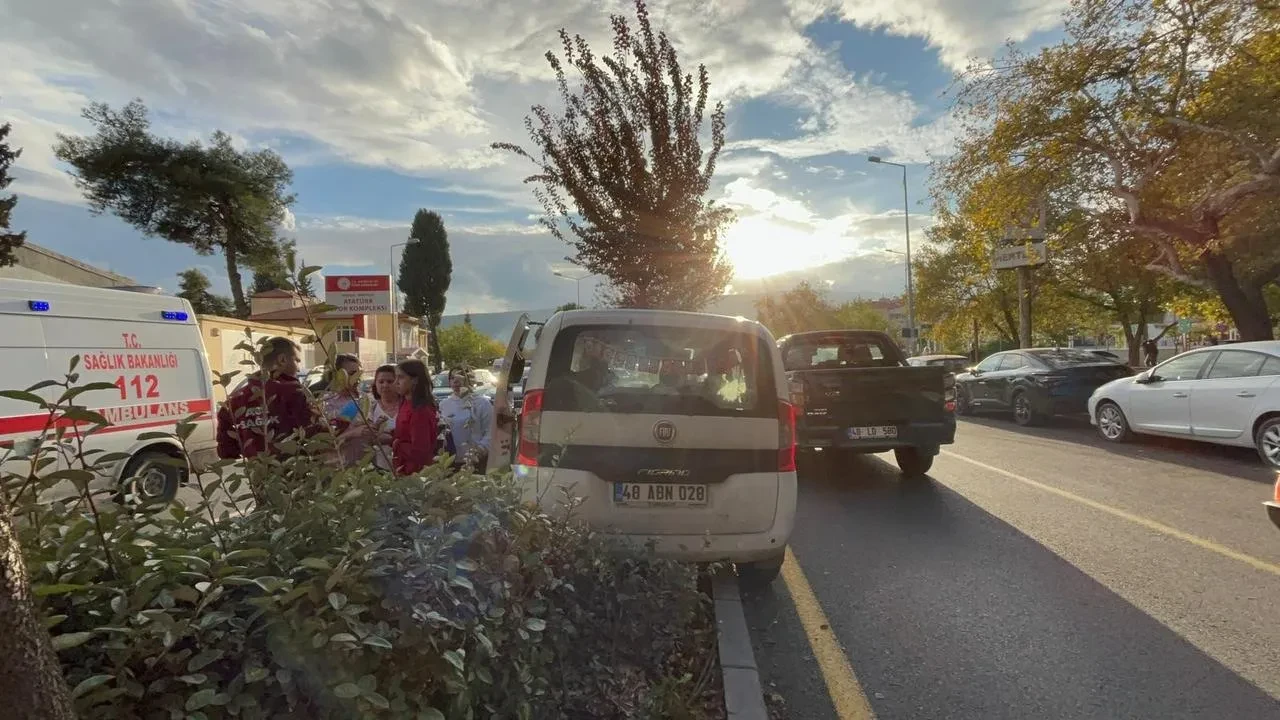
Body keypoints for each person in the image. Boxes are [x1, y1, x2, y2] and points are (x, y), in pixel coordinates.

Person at [216, 337, 320, 459]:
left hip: (257, 473)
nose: (298, 368)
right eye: (297, 361)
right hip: (294, 470)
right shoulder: (294, 391)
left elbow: (226, 450)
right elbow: (313, 432)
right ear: (282, 360)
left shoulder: (233, 401)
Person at [439, 366, 494, 471]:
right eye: (452, 378)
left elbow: (490, 432)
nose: (456, 381)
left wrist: (479, 450)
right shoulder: (444, 404)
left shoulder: (482, 403)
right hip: (451, 462)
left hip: (475, 461)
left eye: (460, 377)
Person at [392, 359, 439, 475]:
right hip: (402, 467)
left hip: (417, 473)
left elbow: (420, 451)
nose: (396, 382)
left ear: (415, 380)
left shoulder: (420, 410)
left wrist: (396, 444)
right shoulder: (405, 403)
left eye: (401, 377)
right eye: (395, 377)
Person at [366, 364, 401, 471]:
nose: (385, 385)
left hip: (405, 466)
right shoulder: (370, 408)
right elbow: (367, 436)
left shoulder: (407, 406)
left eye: (390, 381)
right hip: (379, 467)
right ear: (375, 384)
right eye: (381, 382)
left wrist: (390, 438)